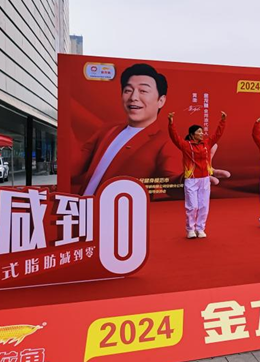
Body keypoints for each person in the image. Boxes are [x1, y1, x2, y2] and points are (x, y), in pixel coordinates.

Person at [73, 64, 182, 196]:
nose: (133, 97)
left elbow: (173, 182)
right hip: (83, 205)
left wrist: (196, 178)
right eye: (128, 90)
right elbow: (75, 165)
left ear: (161, 101)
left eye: (143, 91)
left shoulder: (164, 141)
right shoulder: (108, 129)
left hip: (119, 207)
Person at [168, 110, 227, 239]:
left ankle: (200, 228)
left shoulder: (206, 144)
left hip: (204, 179)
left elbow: (217, 134)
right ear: (192, 134)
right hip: (191, 179)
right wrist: (171, 123)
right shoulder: (185, 145)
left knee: (204, 205)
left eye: (202, 131)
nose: (201, 134)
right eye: (199, 132)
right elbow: (174, 137)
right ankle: (190, 229)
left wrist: (222, 121)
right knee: (192, 206)